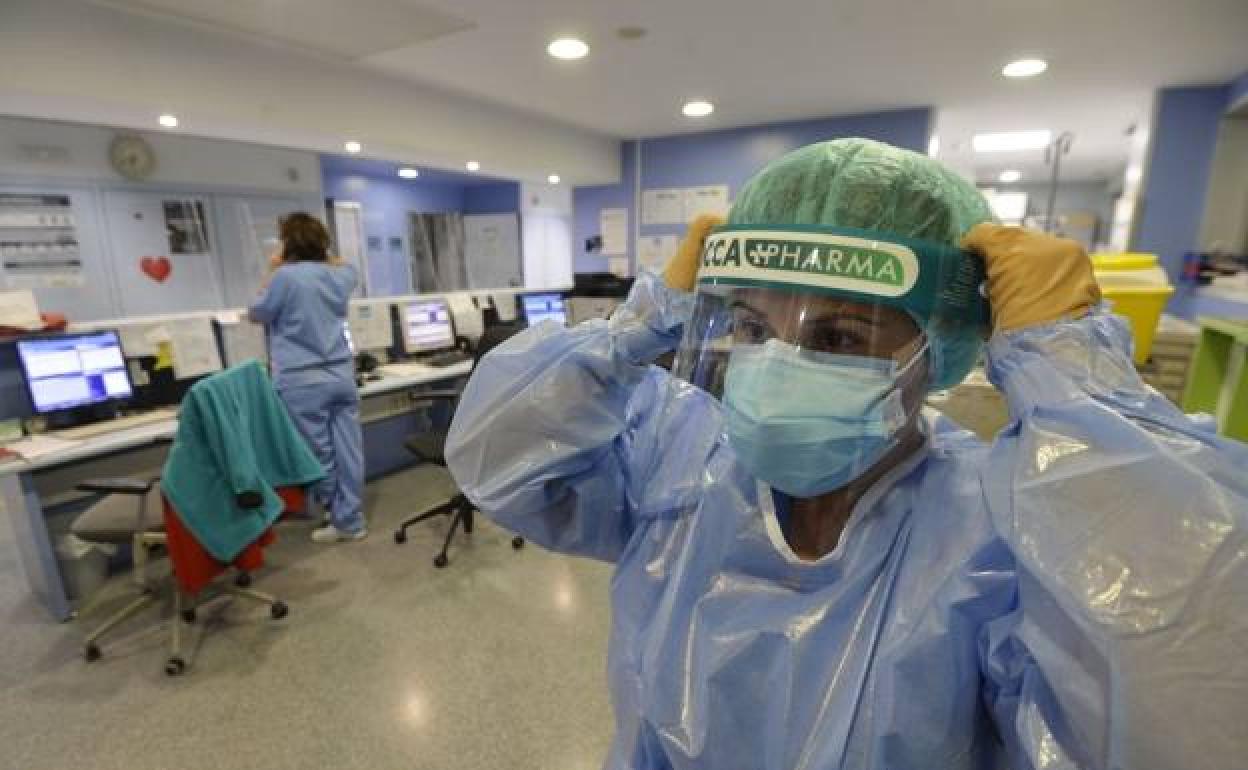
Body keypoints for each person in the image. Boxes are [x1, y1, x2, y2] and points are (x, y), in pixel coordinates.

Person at [446, 139, 1248, 769]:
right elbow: (502, 461)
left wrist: (1074, 380)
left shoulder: (1000, 530)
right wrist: (637, 326)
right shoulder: (684, 457)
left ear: (940, 348)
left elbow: (1181, 695)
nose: (777, 363)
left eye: (838, 337)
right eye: (754, 328)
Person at [249, 212, 366, 543]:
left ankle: (339, 516)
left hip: (302, 379)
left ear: (288, 244)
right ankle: (351, 519)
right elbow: (347, 267)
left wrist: (273, 268)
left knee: (318, 454)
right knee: (349, 451)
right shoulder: (340, 275)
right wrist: (320, 253)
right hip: (342, 374)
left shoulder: (284, 277)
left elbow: (256, 312)